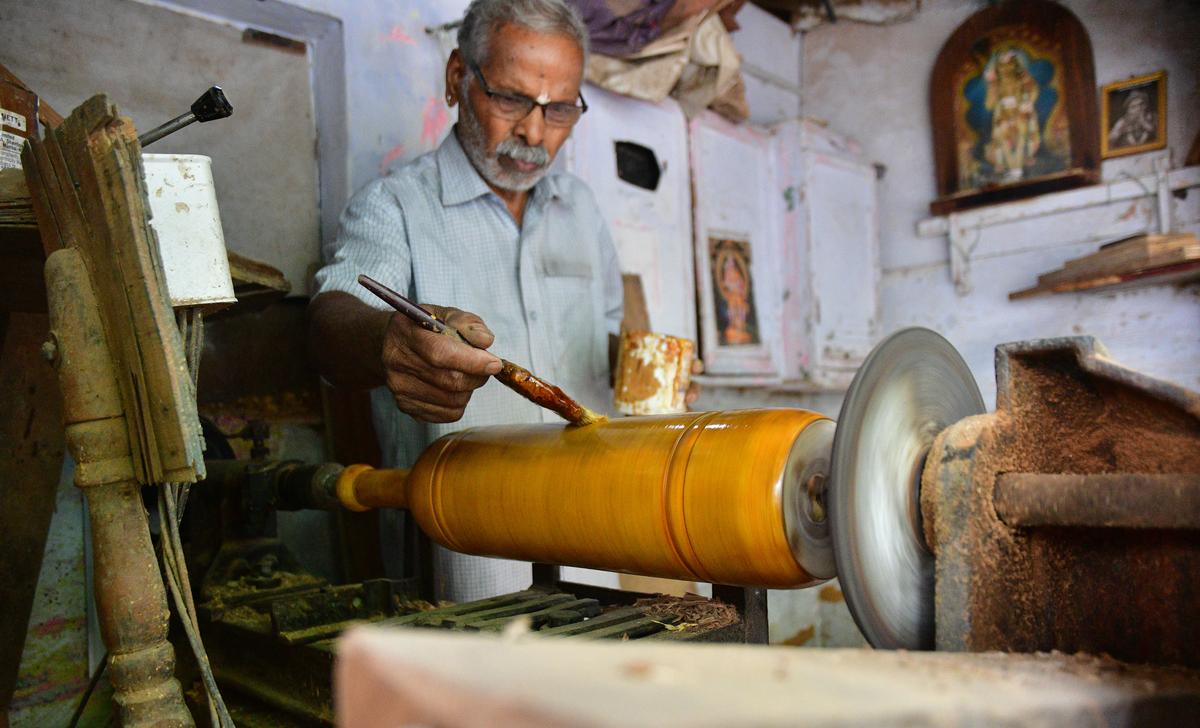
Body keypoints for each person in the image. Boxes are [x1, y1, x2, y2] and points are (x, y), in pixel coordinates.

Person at [307, 0, 623, 602]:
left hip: (594, 530)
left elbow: (610, 331)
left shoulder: (581, 209)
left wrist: (648, 364)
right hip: (464, 554)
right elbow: (327, 326)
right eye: (511, 100)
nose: (535, 132)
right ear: (457, 79)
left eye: (559, 109)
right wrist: (386, 342)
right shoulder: (394, 206)